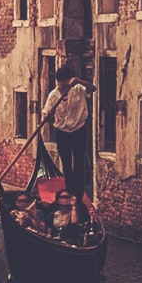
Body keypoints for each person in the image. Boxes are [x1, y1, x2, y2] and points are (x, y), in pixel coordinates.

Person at [47, 61, 94, 205]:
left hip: (79, 129)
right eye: (61, 84)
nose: (63, 87)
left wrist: (78, 81)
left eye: (66, 84)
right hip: (62, 132)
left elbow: (93, 88)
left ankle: (78, 194)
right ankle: (69, 190)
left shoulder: (79, 89)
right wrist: (48, 116)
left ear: (70, 80)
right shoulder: (53, 96)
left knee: (79, 161)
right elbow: (47, 115)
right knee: (66, 163)